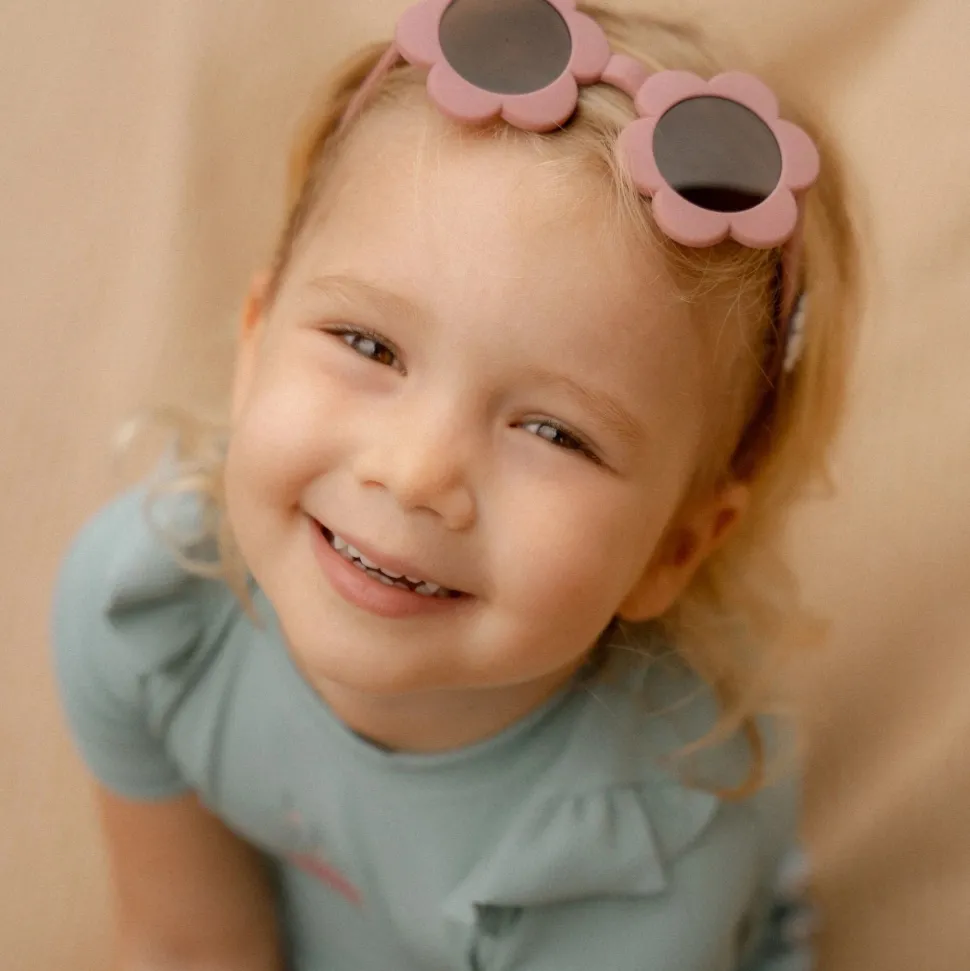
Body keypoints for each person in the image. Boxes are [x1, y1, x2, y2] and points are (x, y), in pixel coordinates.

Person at [52, 1, 857, 968]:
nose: (417, 472)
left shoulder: (644, 851)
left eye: (555, 432)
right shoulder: (147, 611)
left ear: (676, 547)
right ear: (254, 343)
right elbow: (190, 941)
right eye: (369, 345)